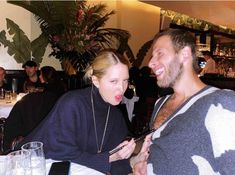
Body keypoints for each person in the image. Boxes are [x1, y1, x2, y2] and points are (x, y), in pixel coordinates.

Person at [133, 29, 235, 175]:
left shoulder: (220, 102)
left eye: (159, 54)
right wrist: (145, 164)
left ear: (184, 54)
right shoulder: (160, 103)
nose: (150, 63)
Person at [17, 50, 136, 175]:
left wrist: (134, 161)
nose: (122, 88)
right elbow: (61, 154)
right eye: (114, 81)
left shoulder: (115, 114)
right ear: (95, 81)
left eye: (125, 80)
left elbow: (116, 159)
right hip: (33, 166)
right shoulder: (72, 103)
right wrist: (109, 158)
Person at [3, 66, 65, 152]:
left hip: (35, 129)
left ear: (45, 77)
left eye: (41, 75)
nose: (39, 76)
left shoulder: (41, 97)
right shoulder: (61, 91)